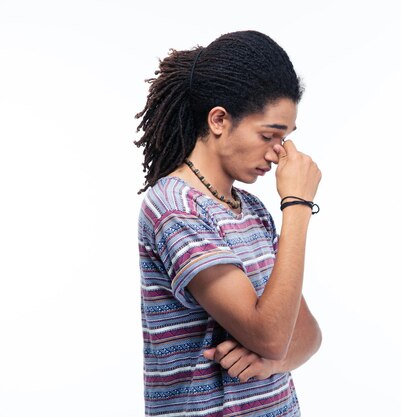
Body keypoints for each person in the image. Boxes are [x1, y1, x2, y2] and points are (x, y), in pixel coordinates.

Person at [134, 30, 322, 417]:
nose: (278, 154)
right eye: (270, 135)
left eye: (285, 139)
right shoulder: (174, 207)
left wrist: (272, 363)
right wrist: (298, 205)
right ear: (219, 119)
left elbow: (306, 337)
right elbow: (272, 336)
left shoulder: (251, 210)